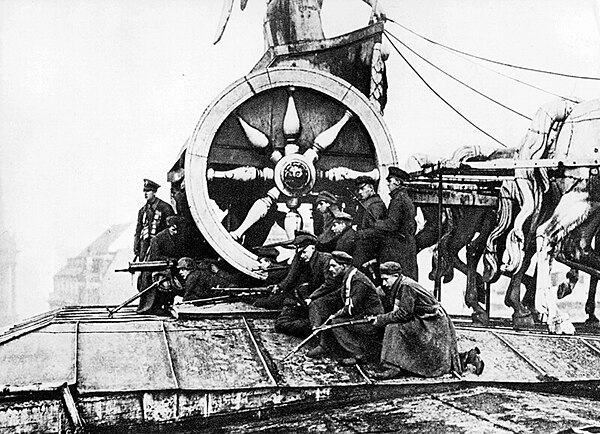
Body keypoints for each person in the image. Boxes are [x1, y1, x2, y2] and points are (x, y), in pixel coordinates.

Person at [369, 261, 467, 379]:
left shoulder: (406, 286)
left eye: (386, 279)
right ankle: (397, 363)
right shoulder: (401, 283)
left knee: (393, 327)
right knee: (394, 326)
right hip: (424, 318)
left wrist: (380, 319)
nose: (384, 283)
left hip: (432, 321)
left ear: (395, 276)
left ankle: (392, 366)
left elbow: (403, 314)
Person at [308, 251, 384, 366]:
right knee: (330, 313)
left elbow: (350, 308)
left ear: (344, 266)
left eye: (334, 266)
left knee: (336, 322)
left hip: (370, 319)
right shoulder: (349, 275)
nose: (330, 269)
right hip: (360, 314)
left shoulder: (357, 280)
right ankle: (324, 346)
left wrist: (335, 315)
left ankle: (358, 354)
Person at [274, 232, 336, 337]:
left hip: (323, 301)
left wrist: (311, 297)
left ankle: (318, 328)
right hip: (311, 300)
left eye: (304, 252)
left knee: (284, 324)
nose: (302, 256)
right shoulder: (306, 260)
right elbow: (292, 276)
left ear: (312, 248)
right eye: (300, 253)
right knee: (281, 323)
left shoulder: (325, 260)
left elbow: (329, 285)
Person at [372, 166, 418, 280]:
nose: (388, 184)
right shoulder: (404, 197)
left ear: (398, 182)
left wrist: (376, 224)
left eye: (390, 181)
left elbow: (392, 224)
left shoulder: (398, 200)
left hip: (400, 247)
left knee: (400, 278)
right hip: (407, 244)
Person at [137, 216, 186, 315]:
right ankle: (154, 307)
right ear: (169, 227)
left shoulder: (179, 237)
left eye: (177, 230)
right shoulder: (158, 239)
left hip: (172, 267)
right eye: (173, 230)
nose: (175, 232)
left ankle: (168, 304)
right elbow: (154, 257)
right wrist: (168, 259)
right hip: (157, 267)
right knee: (159, 280)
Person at [134, 178, 175, 261]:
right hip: (145, 248)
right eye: (144, 191)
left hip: (161, 247)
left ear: (154, 192)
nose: (145, 193)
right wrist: (136, 246)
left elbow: (170, 229)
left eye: (148, 191)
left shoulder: (165, 208)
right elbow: (138, 230)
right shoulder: (142, 210)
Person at [352, 176, 387, 269]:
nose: (359, 192)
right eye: (358, 189)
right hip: (363, 248)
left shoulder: (375, 206)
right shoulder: (366, 204)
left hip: (369, 251)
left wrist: (359, 233)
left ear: (371, 188)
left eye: (362, 188)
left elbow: (378, 230)